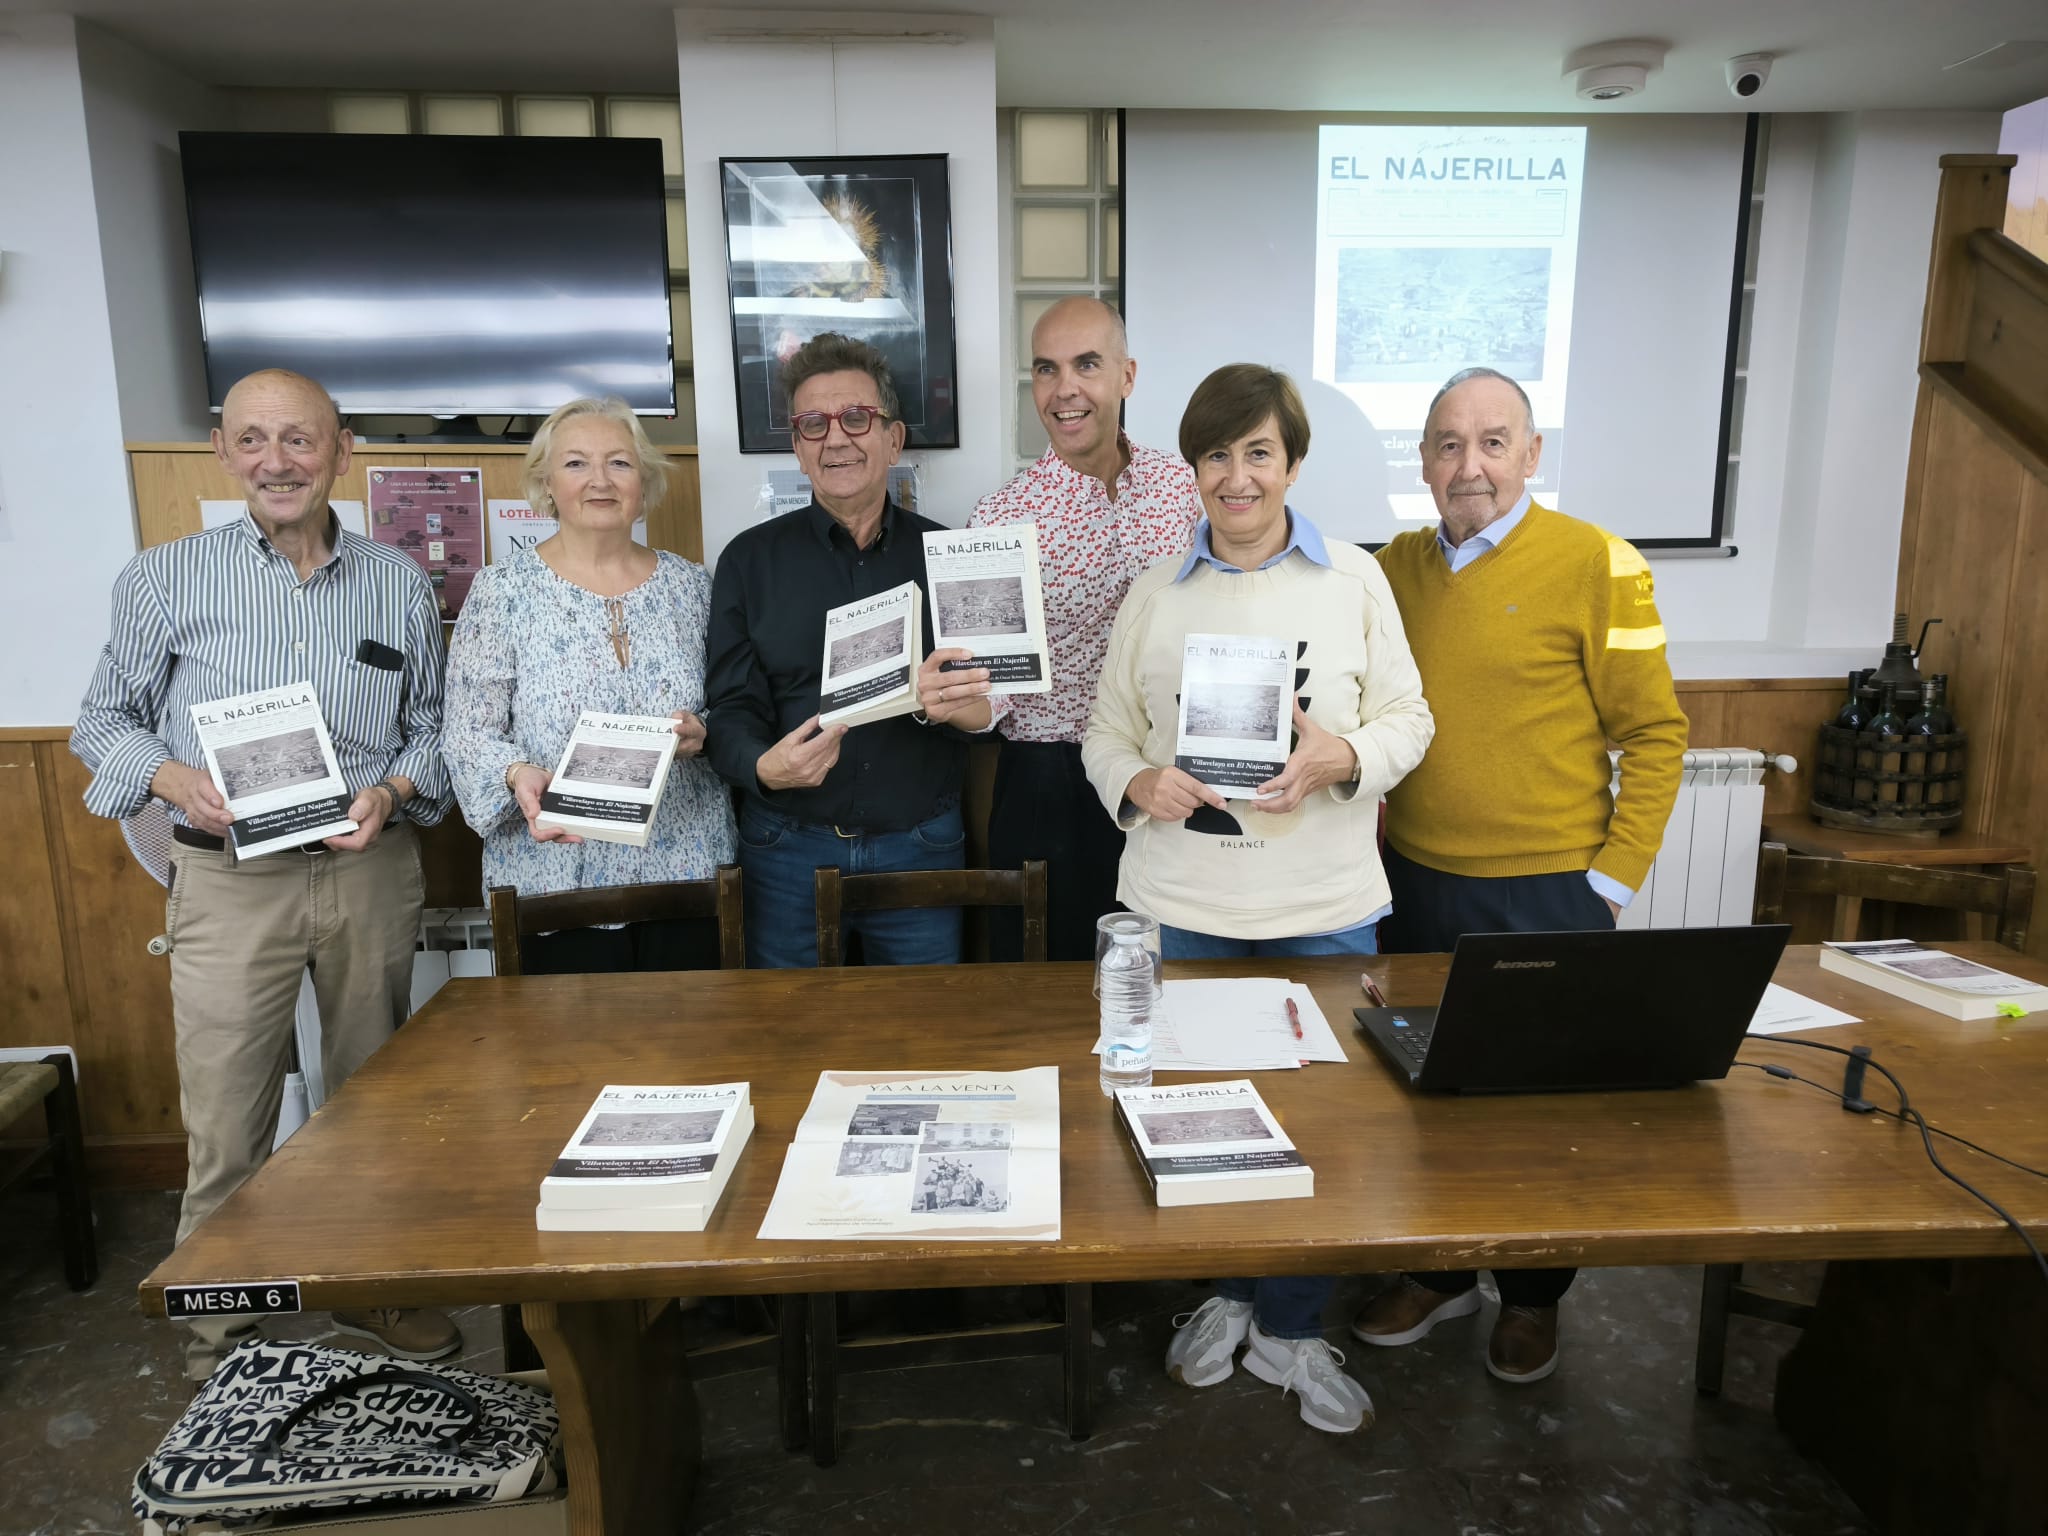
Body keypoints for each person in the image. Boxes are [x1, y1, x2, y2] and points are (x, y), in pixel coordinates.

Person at [71, 368, 460, 1379]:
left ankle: (374, 1293)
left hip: (367, 870)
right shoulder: (162, 578)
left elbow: (431, 725)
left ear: (340, 452)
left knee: (370, 1095)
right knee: (227, 1104)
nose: (276, 462)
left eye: (299, 440)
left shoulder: (398, 581)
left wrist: (398, 788)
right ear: (222, 452)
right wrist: (171, 778)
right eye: (253, 441)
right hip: (226, 878)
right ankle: (220, 1325)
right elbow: (99, 724)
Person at [1081, 364, 1434, 1434]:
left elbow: (1410, 720)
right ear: (1189, 469)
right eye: (1214, 456)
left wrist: (1343, 756)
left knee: (1324, 1126)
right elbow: (1104, 735)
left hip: (1321, 900)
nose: (1235, 477)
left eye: (1257, 453)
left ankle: (1288, 1323)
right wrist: (1135, 782)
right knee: (1190, 1112)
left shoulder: (1354, 584)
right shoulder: (1154, 591)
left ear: (1291, 462)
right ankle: (1225, 1292)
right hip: (1180, 900)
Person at [1352, 365, 1688, 1385]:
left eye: (1493, 441)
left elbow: (1655, 734)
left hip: (1551, 892)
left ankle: (1533, 1300)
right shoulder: (1391, 570)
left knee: (1547, 1121)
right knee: (1428, 1100)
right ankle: (1441, 1275)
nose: (1469, 465)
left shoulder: (1599, 564)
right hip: (1415, 884)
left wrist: (1608, 885)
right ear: (1419, 462)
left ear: (1531, 456)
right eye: (1447, 444)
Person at [916, 298, 1200, 960]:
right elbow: (992, 701)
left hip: (1168, 772)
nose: (1064, 388)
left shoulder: (1185, 488)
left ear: (1127, 375)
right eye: (1046, 369)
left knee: (1167, 984)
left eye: (1087, 364)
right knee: (1047, 997)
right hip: (1051, 786)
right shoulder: (1000, 518)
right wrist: (950, 703)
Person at [442, 397, 736, 970]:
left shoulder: (694, 587)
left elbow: (737, 707)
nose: (599, 480)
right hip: (552, 881)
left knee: (693, 1051)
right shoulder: (503, 591)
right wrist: (515, 773)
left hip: (685, 871)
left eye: (619, 463)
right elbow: (467, 732)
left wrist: (708, 730)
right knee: (567, 1058)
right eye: (576, 463)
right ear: (546, 483)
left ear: (643, 481)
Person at [704, 333, 968, 967]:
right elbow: (730, 706)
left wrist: (949, 704)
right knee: (788, 1038)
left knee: (923, 1048)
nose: (836, 438)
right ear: (797, 448)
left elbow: (985, 709)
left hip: (921, 847)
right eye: (813, 424)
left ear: (894, 439)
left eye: (857, 418)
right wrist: (763, 767)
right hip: (785, 847)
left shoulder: (953, 555)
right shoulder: (747, 561)